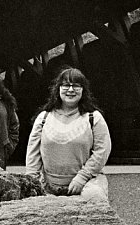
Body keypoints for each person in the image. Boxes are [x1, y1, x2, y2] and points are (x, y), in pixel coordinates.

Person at [25, 67, 111, 202]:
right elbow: (33, 152)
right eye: (65, 85)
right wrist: (32, 181)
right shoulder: (44, 118)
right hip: (48, 184)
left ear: (83, 90)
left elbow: (102, 150)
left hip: (85, 182)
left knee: (94, 198)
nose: (70, 90)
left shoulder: (93, 117)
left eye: (76, 86)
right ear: (58, 89)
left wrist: (82, 177)